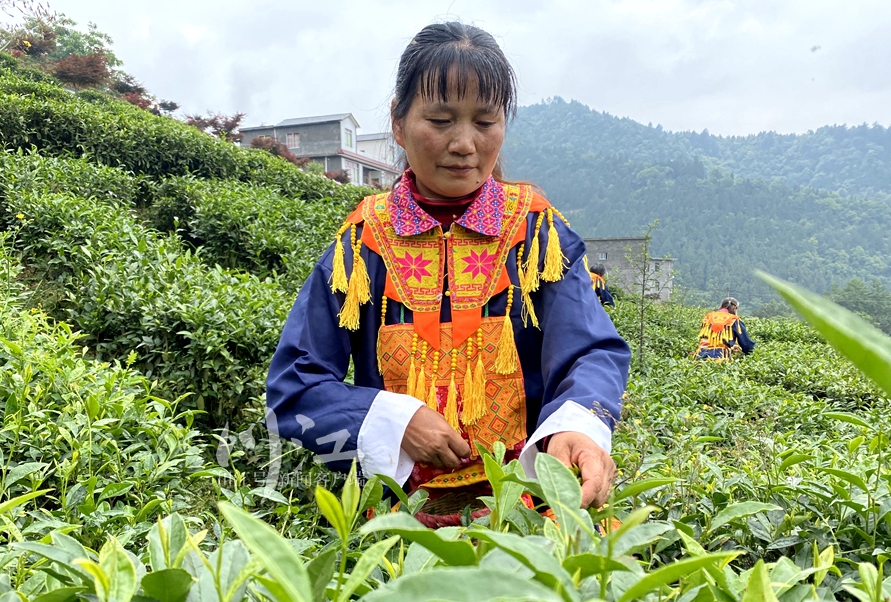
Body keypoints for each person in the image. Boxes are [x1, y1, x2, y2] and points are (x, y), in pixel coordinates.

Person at [267, 22, 631, 527]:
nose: (465, 144)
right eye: (440, 120)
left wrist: (580, 424)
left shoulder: (536, 232)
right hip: (402, 518)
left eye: (485, 122)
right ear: (398, 122)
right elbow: (295, 383)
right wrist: (395, 421)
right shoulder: (363, 243)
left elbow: (589, 350)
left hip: (526, 512)